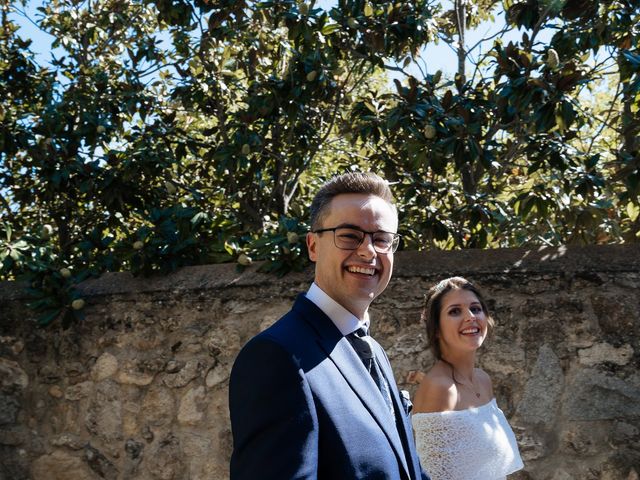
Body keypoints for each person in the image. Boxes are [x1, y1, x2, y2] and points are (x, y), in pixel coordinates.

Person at [229, 172, 430, 480]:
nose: (368, 251)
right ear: (313, 246)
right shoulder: (277, 357)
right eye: (349, 235)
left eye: (382, 239)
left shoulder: (373, 351)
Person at [411, 276, 523, 480]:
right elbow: (432, 475)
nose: (470, 317)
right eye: (455, 311)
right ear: (436, 328)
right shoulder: (441, 388)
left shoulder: (483, 380)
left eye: (476, 308)